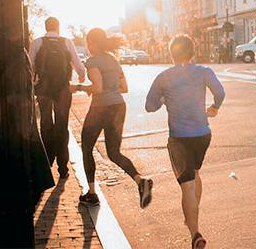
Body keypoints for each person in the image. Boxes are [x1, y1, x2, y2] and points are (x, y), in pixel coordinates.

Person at [146, 34, 225, 249]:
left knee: (187, 185)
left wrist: (163, 99)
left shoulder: (164, 77)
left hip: (179, 137)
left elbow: (149, 106)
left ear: (171, 54)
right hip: (202, 134)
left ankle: (195, 233)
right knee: (195, 174)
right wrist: (215, 107)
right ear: (192, 52)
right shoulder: (204, 72)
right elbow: (220, 91)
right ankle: (192, 216)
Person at [74, 28, 152, 207]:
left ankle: (92, 194)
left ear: (92, 43)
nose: (87, 45)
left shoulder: (92, 61)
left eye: (88, 42)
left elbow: (98, 88)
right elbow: (124, 87)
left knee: (87, 148)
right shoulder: (113, 60)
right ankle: (141, 181)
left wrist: (79, 87)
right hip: (118, 106)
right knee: (114, 153)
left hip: (100, 108)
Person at [30, 17, 86, 179]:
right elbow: (77, 63)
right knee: (62, 126)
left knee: (46, 124)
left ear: (46, 27)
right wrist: (82, 75)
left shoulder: (38, 42)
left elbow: (31, 63)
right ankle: (63, 168)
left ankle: (47, 164)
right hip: (63, 89)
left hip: (44, 88)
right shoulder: (66, 42)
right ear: (58, 27)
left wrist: (34, 80)